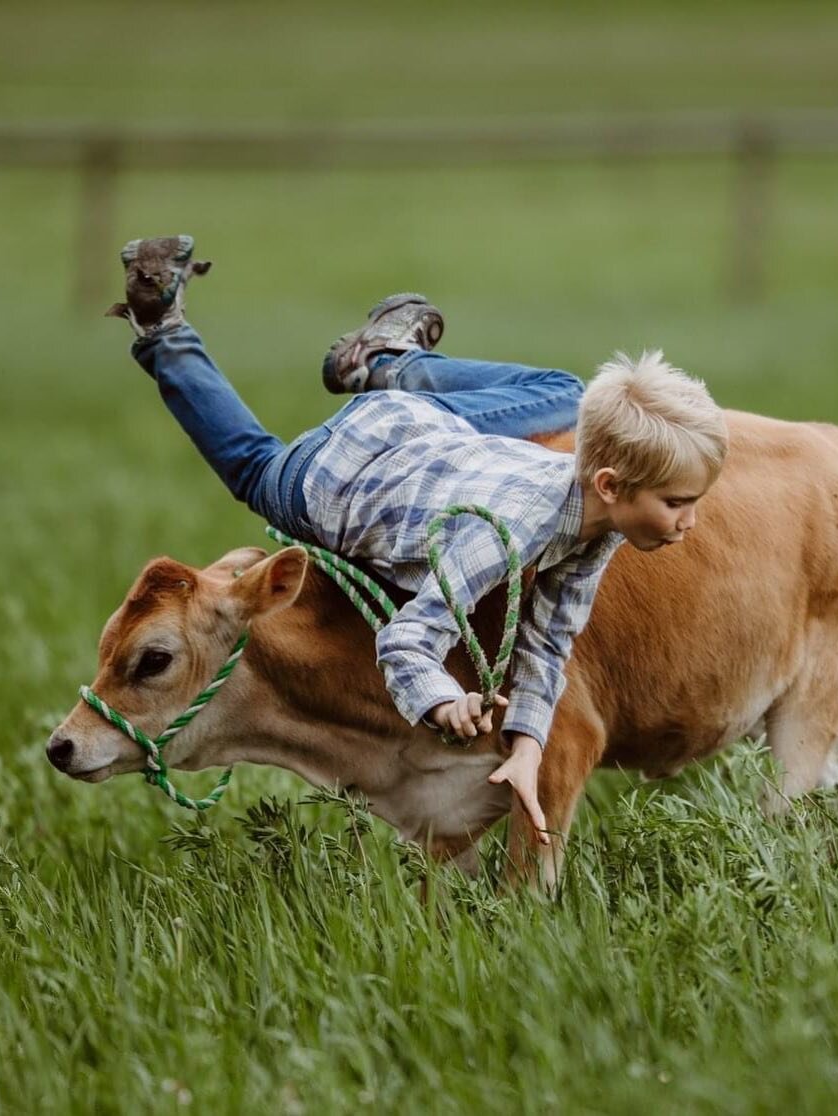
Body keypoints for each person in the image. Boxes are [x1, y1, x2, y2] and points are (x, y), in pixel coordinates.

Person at [108, 236, 729, 843]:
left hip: (421, 428)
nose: (690, 521)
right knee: (252, 465)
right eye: (677, 503)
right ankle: (163, 329)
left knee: (568, 396)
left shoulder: (596, 526)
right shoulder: (504, 537)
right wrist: (440, 701)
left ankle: (388, 364)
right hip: (331, 479)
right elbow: (406, 640)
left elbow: (548, 646)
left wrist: (528, 748)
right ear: (611, 484)